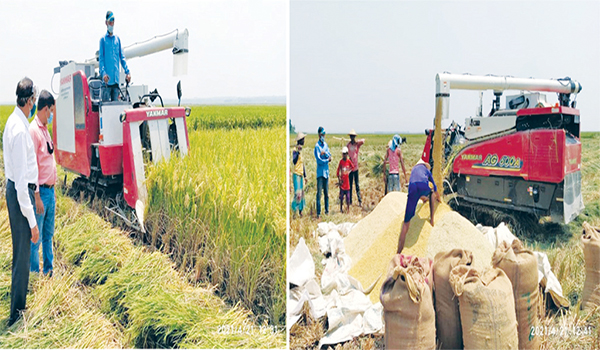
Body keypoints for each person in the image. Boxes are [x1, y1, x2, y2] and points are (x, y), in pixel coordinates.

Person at [3, 77, 40, 326]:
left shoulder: (17, 122)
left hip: (18, 194)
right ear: (28, 101)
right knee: (22, 256)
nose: (34, 104)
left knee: (22, 254)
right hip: (19, 198)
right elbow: (20, 186)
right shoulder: (18, 130)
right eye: (34, 100)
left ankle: (19, 308)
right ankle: (17, 315)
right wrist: (33, 222)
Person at [29, 90, 57, 277]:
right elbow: (32, 167)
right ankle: (34, 273)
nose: (52, 115)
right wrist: (37, 196)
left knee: (48, 236)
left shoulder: (45, 129)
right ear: (45, 109)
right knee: (36, 237)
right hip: (40, 195)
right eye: (51, 111)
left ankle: (48, 272)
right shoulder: (34, 131)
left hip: (50, 192)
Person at [397, 159, 441, 254]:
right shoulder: (427, 170)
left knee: (406, 223)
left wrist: (423, 199)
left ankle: (398, 251)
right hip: (423, 185)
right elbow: (435, 187)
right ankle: (432, 219)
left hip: (412, 186)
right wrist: (439, 198)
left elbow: (415, 185)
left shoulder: (414, 170)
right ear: (425, 166)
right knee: (432, 192)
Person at [99, 10, 131, 102]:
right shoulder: (103, 40)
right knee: (105, 109)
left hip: (116, 82)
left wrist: (127, 72)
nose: (111, 24)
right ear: (106, 23)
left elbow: (122, 57)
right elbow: (101, 59)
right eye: (110, 22)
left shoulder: (117, 40)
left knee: (116, 108)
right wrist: (103, 73)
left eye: (113, 21)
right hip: (106, 83)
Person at [314, 126, 331, 218]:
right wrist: (327, 160)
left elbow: (329, 155)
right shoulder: (317, 146)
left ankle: (327, 211)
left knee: (326, 194)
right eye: (322, 134)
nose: (323, 136)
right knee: (319, 194)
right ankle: (318, 213)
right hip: (320, 173)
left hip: (326, 173)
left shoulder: (325, 145)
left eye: (324, 134)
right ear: (319, 135)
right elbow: (319, 160)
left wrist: (325, 154)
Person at [346, 129, 364, 207]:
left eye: (353, 136)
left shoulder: (357, 145)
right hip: (350, 168)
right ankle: (350, 201)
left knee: (357, 185)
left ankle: (359, 200)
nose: (352, 138)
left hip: (356, 168)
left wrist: (357, 141)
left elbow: (363, 141)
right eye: (351, 136)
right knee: (349, 185)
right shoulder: (348, 145)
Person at [291, 132, 307, 217]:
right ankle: (294, 211)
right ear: (300, 140)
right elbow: (294, 161)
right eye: (303, 139)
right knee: (297, 194)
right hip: (296, 174)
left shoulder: (302, 150)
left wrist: (305, 176)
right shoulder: (295, 149)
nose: (304, 141)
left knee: (302, 193)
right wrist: (297, 152)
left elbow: (302, 164)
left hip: (301, 174)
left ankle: (300, 211)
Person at [337, 147, 354, 213]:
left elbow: (352, 167)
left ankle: (348, 209)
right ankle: (341, 209)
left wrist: (349, 171)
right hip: (342, 183)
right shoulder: (341, 162)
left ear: (347, 154)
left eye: (345, 154)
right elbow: (338, 171)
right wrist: (339, 180)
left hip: (347, 183)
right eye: (343, 154)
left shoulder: (348, 161)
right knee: (341, 197)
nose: (344, 155)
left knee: (348, 197)